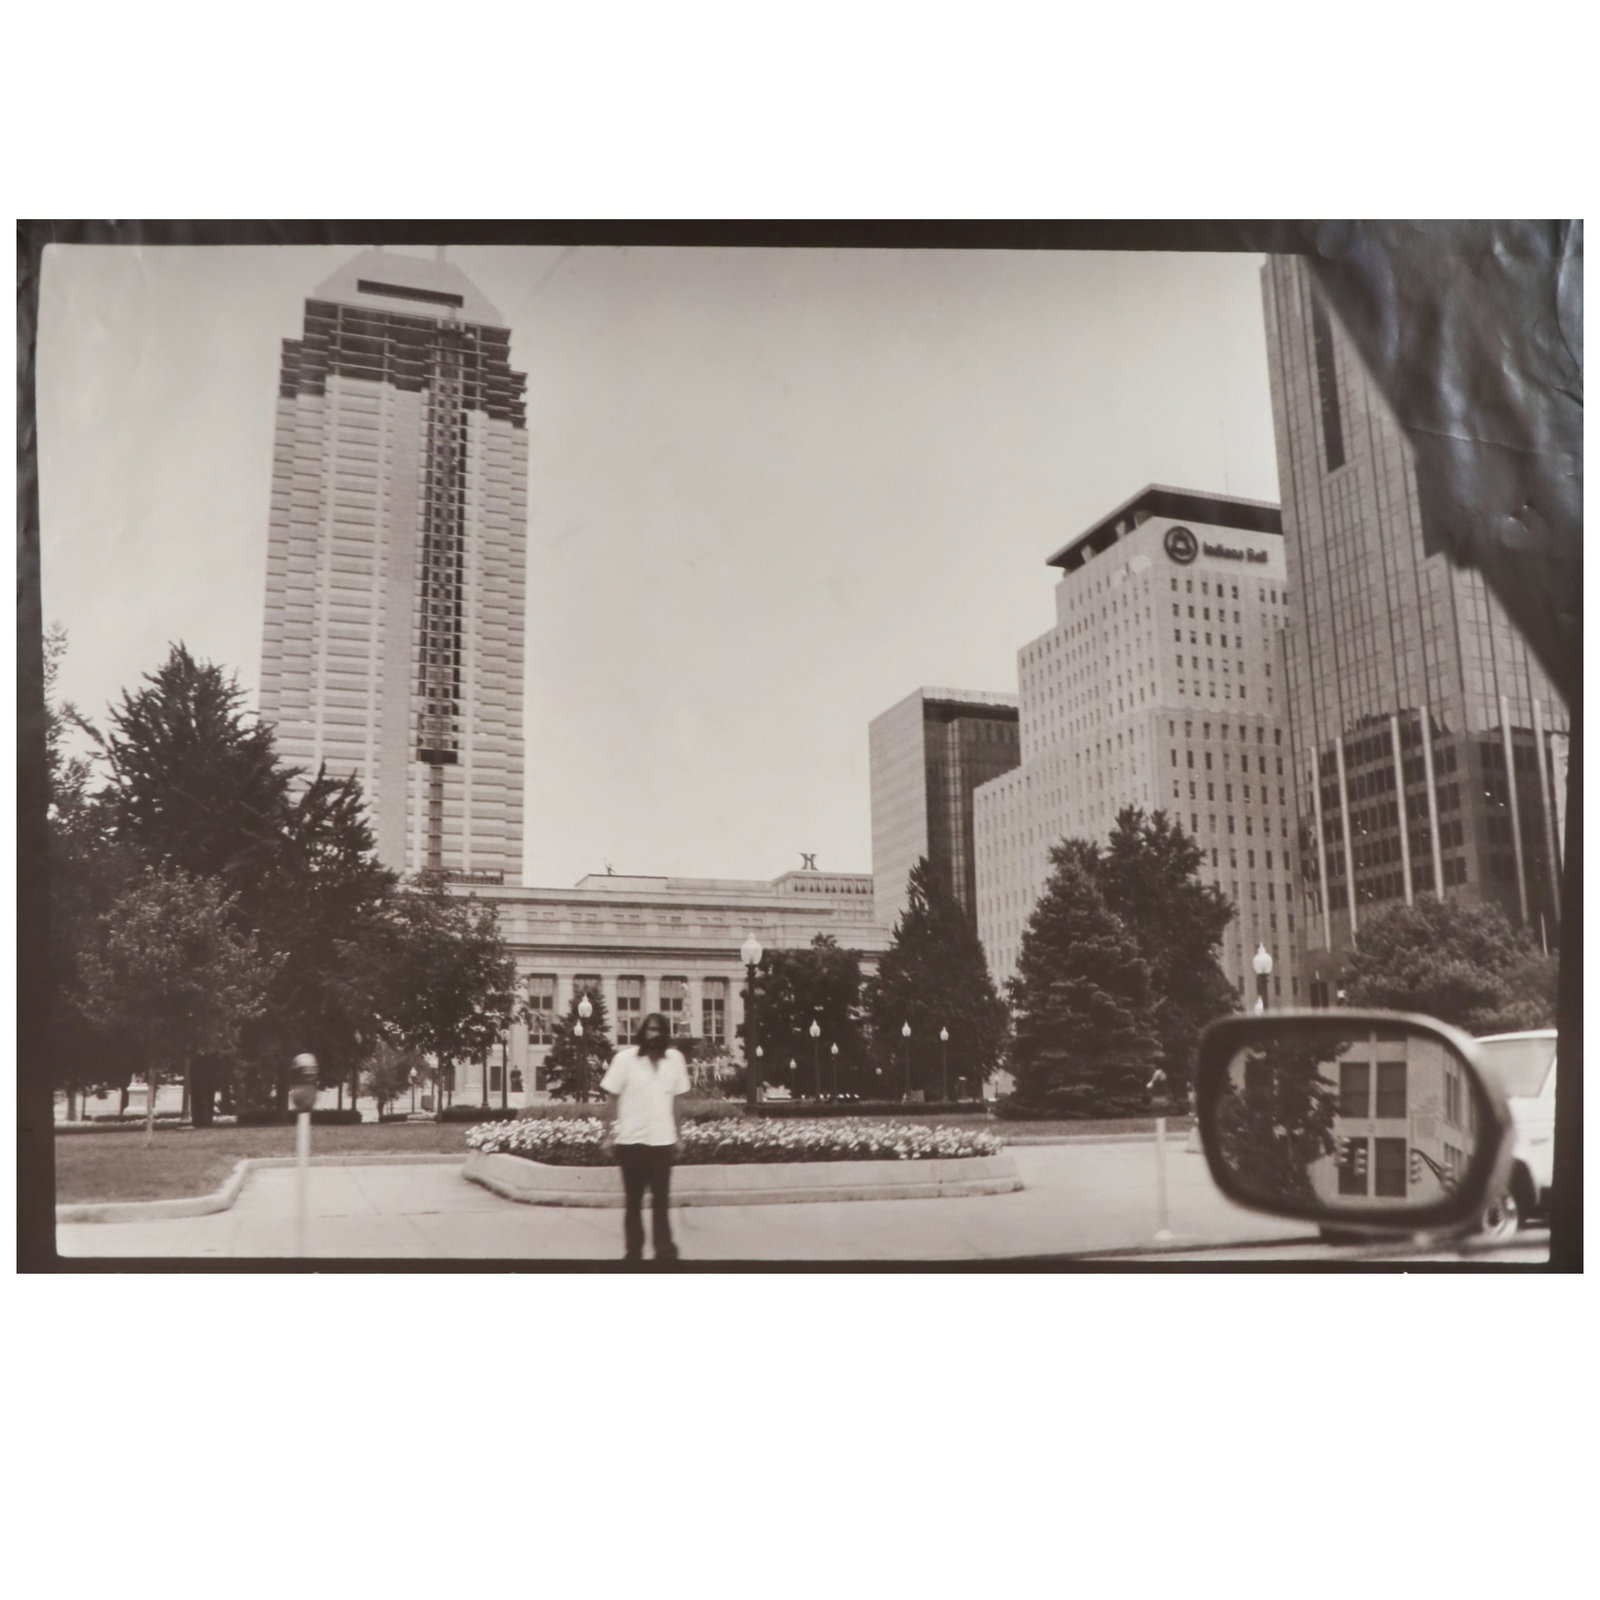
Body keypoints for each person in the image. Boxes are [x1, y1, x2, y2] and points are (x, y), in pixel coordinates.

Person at [599, 1012, 691, 1264]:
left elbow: (677, 1102)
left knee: (661, 1202)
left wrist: (679, 1136)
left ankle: (665, 1253)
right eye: (650, 1030)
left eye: (659, 1030)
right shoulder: (624, 1060)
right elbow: (611, 1100)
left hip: (663, 1142)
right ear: (642, 1033)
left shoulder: (675, 1060)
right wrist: (607, 1135)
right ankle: (634, 1254)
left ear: (665, 1034)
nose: (654, 1035)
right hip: (631, 1143)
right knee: (633, 1203)